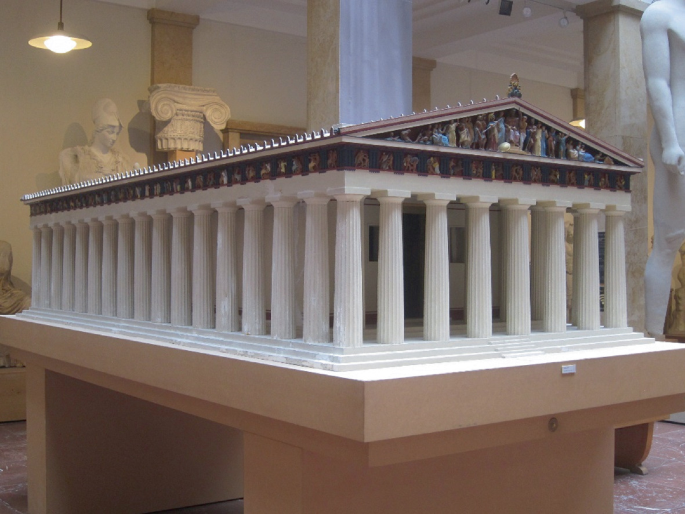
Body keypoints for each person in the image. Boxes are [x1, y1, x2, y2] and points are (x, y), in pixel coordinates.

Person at [642, 0, 685, 336]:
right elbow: (658, 82)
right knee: (669, 240)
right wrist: (670, 141)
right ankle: (654, 336)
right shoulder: (660, 14)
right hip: (680, 132)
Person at [59, 98, 131, 185]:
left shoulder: (122, 161)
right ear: (98, 130)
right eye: (110, 132)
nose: (114, 137)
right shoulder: (79, 158)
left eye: (117, 133)